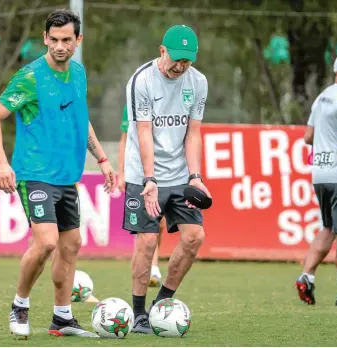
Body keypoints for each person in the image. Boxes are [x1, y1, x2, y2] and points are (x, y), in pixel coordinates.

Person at [0, 9, 115, 338]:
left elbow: (80, 120)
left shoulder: (79, 75)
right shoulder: (30, 77)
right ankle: (20, 305)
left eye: (66, 40)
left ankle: (62, 318)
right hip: (34, 173)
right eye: (53, 39)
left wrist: (102, 158)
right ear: (45, 38)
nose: (59, 46)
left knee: (71, 246)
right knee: (45, 243)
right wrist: (1, 163)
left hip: (67, 176)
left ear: (77, 40)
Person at [122, 24, 210, 333]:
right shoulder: (141, 80)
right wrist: (149, 179)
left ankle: (162, 304)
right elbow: (144, 133)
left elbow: (193, 132)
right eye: (176, 59)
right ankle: (138, 313)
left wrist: (196, 176)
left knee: (194, 238)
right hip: (142, 174)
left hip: (179, 176)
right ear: (163, 51)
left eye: (187, 60)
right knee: (147, 242)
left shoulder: (198, 82)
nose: (181, 66)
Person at [295, 52, 337, 307]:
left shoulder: (322, 97)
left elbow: (307, 137)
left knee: (328, 228)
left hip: (321, 174)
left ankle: (307, 275)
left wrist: (327, 144)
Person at [117, 104, 166, 287]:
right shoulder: (133, 102)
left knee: (161, 222)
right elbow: (125, 140)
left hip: (164, 168)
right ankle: (149, 267)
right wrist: (121, 173)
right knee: (144, 222)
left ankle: (153, 262)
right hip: (138, 170)